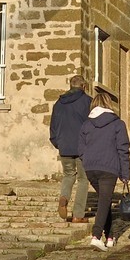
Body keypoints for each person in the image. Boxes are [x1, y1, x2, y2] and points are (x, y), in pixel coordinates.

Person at [79, 95, 130, 249]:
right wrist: (125, 174)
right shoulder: (118, 124)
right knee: (104, 200)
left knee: (104, 200)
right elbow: (123, 150)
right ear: (109, 105)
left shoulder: (86, 125)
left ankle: (109, 236)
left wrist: (87, 160)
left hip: (90, 168)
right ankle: (96, 235)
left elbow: (81, 149)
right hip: (109, 168)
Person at [49, 75, 92, 223]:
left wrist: (57, 143)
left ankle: (64, 197)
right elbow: (91, 125)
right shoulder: (87, 102)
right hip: (82, 147)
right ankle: (78, 215)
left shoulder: (58, 103)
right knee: (83, 179)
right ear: (84, 86)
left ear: (70, 86)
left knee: (68, 175)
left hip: (64, 146)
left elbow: (53, 126)